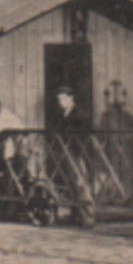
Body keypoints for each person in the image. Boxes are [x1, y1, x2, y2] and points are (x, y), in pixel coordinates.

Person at [51, 86, 95, 228]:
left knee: (81, 183)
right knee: (71, 183)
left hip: (77, 153)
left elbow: (83, 136)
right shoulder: (61, 115)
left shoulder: (79, 115)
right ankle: (76, 214)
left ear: (71, 98)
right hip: (66, 153)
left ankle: (87, 216)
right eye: (59, 99)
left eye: (63, 98)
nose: (61, 102)